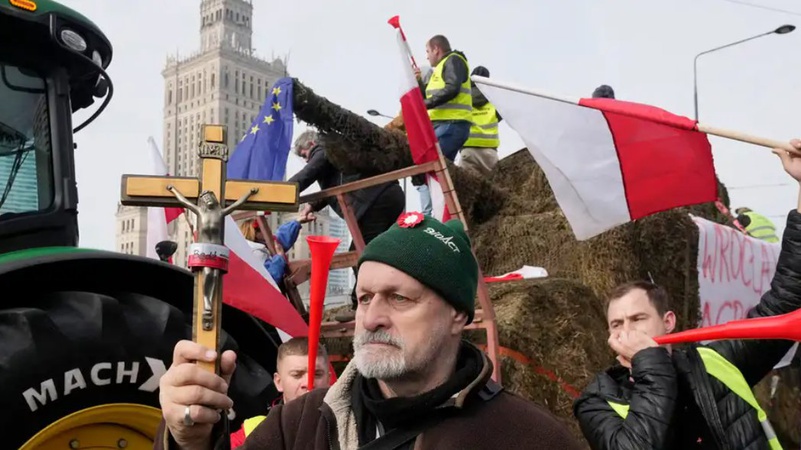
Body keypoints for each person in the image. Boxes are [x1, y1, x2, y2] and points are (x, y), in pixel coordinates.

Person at [155, 213, 585, 449]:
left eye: (400, 298)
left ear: (459, 315)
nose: (372, 317)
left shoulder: (529, 439)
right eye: (364, 298)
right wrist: (188, 440)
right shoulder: (299, 424)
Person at [573, 139, 801, 450]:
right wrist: (651, 362)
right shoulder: (597, 401)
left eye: (638, 319)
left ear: (668, 322)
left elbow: (787, 297)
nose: (627, 331)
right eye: (617, 324)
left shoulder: (717, 363)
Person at [289, 130, 405, 322]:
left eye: (304, 155)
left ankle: (365, 305)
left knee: (360, 255)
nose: (306, 160)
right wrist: (312, 205)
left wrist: (280, 192)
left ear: (310, 144)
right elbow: (333, 185)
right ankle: (387, 296)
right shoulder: (338, 150)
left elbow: (309, 173)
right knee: (378, 252)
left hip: (374, 201)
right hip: (386, 195)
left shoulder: (323, 148)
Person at [229, 337, 330, 448]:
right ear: (278, 382)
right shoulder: (251, 431)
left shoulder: (343, 428)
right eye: (297, 375)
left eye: (317, 374)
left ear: (329, 380)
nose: (308, 383)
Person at [413, 34, 472, 216]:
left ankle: (438, 216)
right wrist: (419, 85)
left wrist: (425, 104)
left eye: (428, 51)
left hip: (452, 124)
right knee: (437, 173)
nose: (427, 56)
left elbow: (451, 88)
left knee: (432, 169)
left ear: (436, 49)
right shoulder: (440, 69)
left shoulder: (453, 60)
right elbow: (432, 96)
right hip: (446, 125)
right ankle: (444, 214)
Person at [238, 214, 311, 285]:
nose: (268, 231)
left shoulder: (261, 245)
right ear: (256, 233)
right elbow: (271, 277)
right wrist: (280, 257)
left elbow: (281, 239)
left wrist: (297, 222)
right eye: (263, 229)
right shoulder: (256, 253)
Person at [459, 66, 502, 176]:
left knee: (466, 185)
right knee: (495, 185)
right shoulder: (494, 100)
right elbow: (501, 116)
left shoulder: (463, 98)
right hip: (490, 152)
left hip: (468, 150)